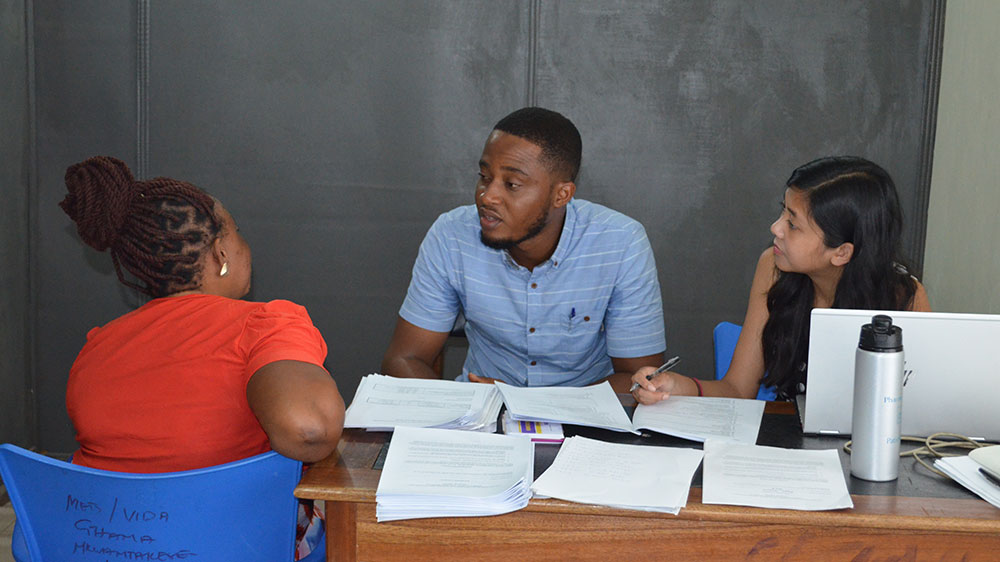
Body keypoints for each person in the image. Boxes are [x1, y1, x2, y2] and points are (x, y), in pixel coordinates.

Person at [60, 156, 344, 559]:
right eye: (238, 233)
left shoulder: (95, 348)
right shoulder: (266, 323)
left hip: (108, 548)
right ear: (221, 253)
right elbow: (309, 431)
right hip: (236, 546)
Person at [381, 107, 666, 391]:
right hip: (480, 412)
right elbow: (404, 359)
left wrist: (531, 407)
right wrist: (464, 408)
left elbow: (639, 380)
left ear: (561, 195)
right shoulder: (452, 235)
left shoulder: (621, 244)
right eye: (484, 176)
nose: (487, 196)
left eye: (512, 184)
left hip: (582, 422)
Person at [632, 156, 931, 402]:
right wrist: (677, 387)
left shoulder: (904, 297)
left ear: (841, 252)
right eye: (782, 213)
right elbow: (737, 390)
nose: (776, 228)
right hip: (786, 452)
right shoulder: (773, 269)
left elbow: (918, 407)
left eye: (793, 223)